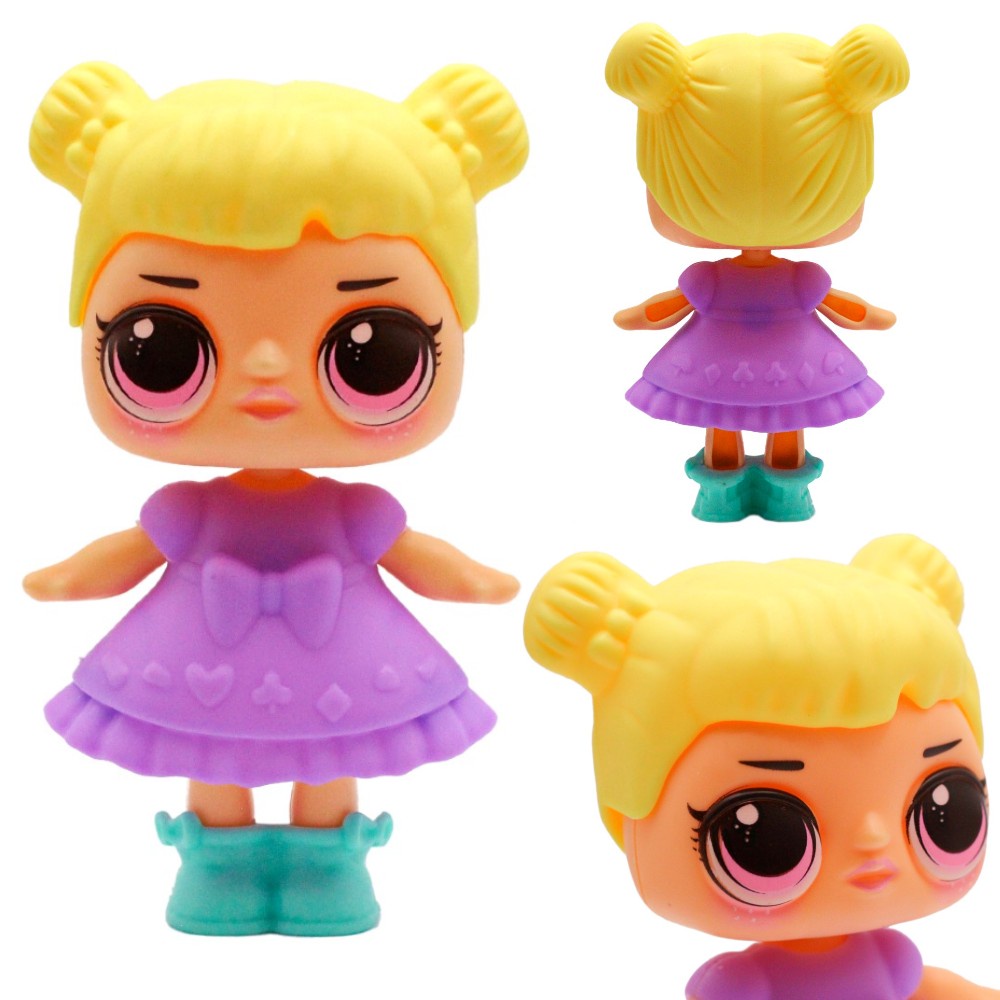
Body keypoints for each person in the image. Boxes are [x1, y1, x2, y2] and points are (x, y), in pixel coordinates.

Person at [26, 60, 527, 935]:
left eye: (373, 349)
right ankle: (215, 866)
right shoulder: (193, 511)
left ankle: (328, 865)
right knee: (211, 758)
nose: (265, 373)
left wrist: (474, 580)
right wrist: (69, 577)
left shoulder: (349, 514)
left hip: (339, 661)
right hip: (203, 658)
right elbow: (128, 554)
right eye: (159, 347)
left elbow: (417, 557)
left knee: (328, 763)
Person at [525, 535, 997, 998]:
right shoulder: (745, 987)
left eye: (946, 811)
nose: (873, 840)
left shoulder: (889, 960)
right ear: (630, 810)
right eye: (765, 835)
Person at [606, 25, 907, 520]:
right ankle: (750, 488)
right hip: (784, 362)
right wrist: (872, 316)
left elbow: (664, 310)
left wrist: (637, 316)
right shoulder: (753, 280)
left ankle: (750, 489)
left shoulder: (767, 280)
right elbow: (845, 309)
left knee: (742, 416)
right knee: (763, 418)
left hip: (733, 361)